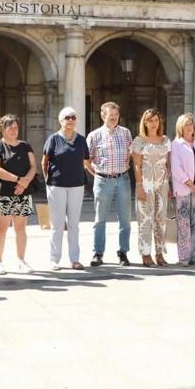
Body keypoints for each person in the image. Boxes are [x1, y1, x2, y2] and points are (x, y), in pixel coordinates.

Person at [0, 114, 37, 274]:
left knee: (21, 229)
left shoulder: (25, 146)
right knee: (1, 228)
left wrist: (25, 183)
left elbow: (33, 166)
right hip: (2, 193)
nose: (14, 130)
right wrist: (18, 180)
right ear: (2, 129)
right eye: (10, 127)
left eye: (16, 127)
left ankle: (22, 260)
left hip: (23, 193)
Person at [86, 101, 133, 266]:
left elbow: (130, 153)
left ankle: (123, 252)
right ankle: (98, 253)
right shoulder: (94, 135)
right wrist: (97, 175)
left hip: (123, 179)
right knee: (100, 219)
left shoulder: (126, 133)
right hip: (102, 180)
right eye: (110, 116)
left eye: (116, 116)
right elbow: (87, 160)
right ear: (102, 115)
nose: (114, 118)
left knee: (125, 219)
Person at [42, 107, 89, 270]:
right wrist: (49, 180)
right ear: (61, 121)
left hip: (77, 185)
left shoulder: (81, 140)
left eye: (73, 117)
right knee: (57, 224)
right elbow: (44, 162)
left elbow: (86, 160)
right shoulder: (53, 139)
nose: (70, 120)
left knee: (74, 224)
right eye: (67, 118)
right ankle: (54, 259)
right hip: (56, 186)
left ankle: (75, 259)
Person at [131, 108, 172, 267]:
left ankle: (160, 253)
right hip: (145, 183)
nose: (153, 123)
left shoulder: (165, 140)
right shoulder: (139, 141)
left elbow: (168, 164)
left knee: (161, 220)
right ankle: (146, 254)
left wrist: (169, 185)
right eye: (150, 120)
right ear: (145, 122)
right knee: (145, 219)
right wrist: (139, 186)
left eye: (156, 120)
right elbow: (136, 166)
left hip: (162, 183)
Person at [170, 113, 195, 265]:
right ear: (180, 127)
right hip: (184, 189)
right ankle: (184, 257)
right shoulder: (176, 144)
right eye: (186, 124)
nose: (189, 127)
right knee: (184, 224)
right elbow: (176, 167)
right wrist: (191, 185)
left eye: (191, 124)